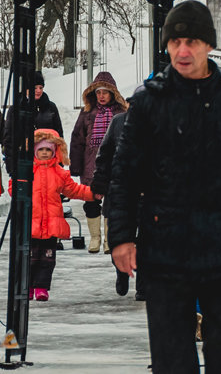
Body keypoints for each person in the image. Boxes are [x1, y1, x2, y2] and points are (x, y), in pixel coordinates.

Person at [108, 0, 221, 374]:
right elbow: (125, 175)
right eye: (175, 42)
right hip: (165, 250)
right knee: (172, 357)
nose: (183, 50)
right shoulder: (148, 103)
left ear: (209, 45)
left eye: (191, 41)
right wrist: (122, 237)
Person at [16, 129, 95, 301]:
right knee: (29, 257)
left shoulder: (59, 173)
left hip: (51, 223)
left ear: (54, 151)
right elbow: (15, 187)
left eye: (48, 150)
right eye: (41, 150)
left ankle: (42, 287)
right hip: (32, 223)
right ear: (35, 151)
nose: (44, 153)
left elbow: (74, 190)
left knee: (47, 258)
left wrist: (93, 194)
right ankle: (28, 286)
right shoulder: (28, 171)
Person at [69, 71, 127, 254]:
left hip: (115, 164)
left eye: (105, 92)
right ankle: (95, 237)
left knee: (113, 202)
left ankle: (110, 240)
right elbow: (77, 139)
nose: (101, 96)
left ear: (112, 93)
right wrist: (76, 166)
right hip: (91, 164)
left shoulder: (121, 112)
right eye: (98, 92)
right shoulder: (86, 112)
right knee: (91, 200)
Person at [91, 104, 143, 299]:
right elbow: (104, 155)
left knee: (149, 241)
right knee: (117, 237)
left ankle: (143, 284)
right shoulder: (119, 122)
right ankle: (121, 270)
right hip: (121, 190)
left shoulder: (160, 122)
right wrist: (99, 183)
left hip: (149, 192)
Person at [2, 71, 63, 176]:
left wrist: (60, 162)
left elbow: (59, 135)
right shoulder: (15, 109)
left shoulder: (50, 107)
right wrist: (12, 168)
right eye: (34, 88)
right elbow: (9, 140)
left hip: (47, 161)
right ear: (26, 88)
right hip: (23, 161)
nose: (38, 91)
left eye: (41, 87)